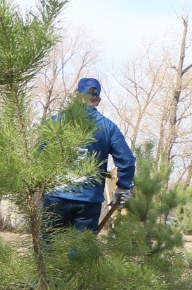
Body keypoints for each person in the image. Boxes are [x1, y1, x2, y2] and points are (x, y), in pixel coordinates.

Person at [43, 77, 136, 232]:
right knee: (82, 252)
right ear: (97, 100)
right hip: (88, 201)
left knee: (50, 250)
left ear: (77, 96)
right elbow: (127, 160)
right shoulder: (108, 127)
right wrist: (123, 187)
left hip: (56, 197)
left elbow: (39, 153)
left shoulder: (57, 121)